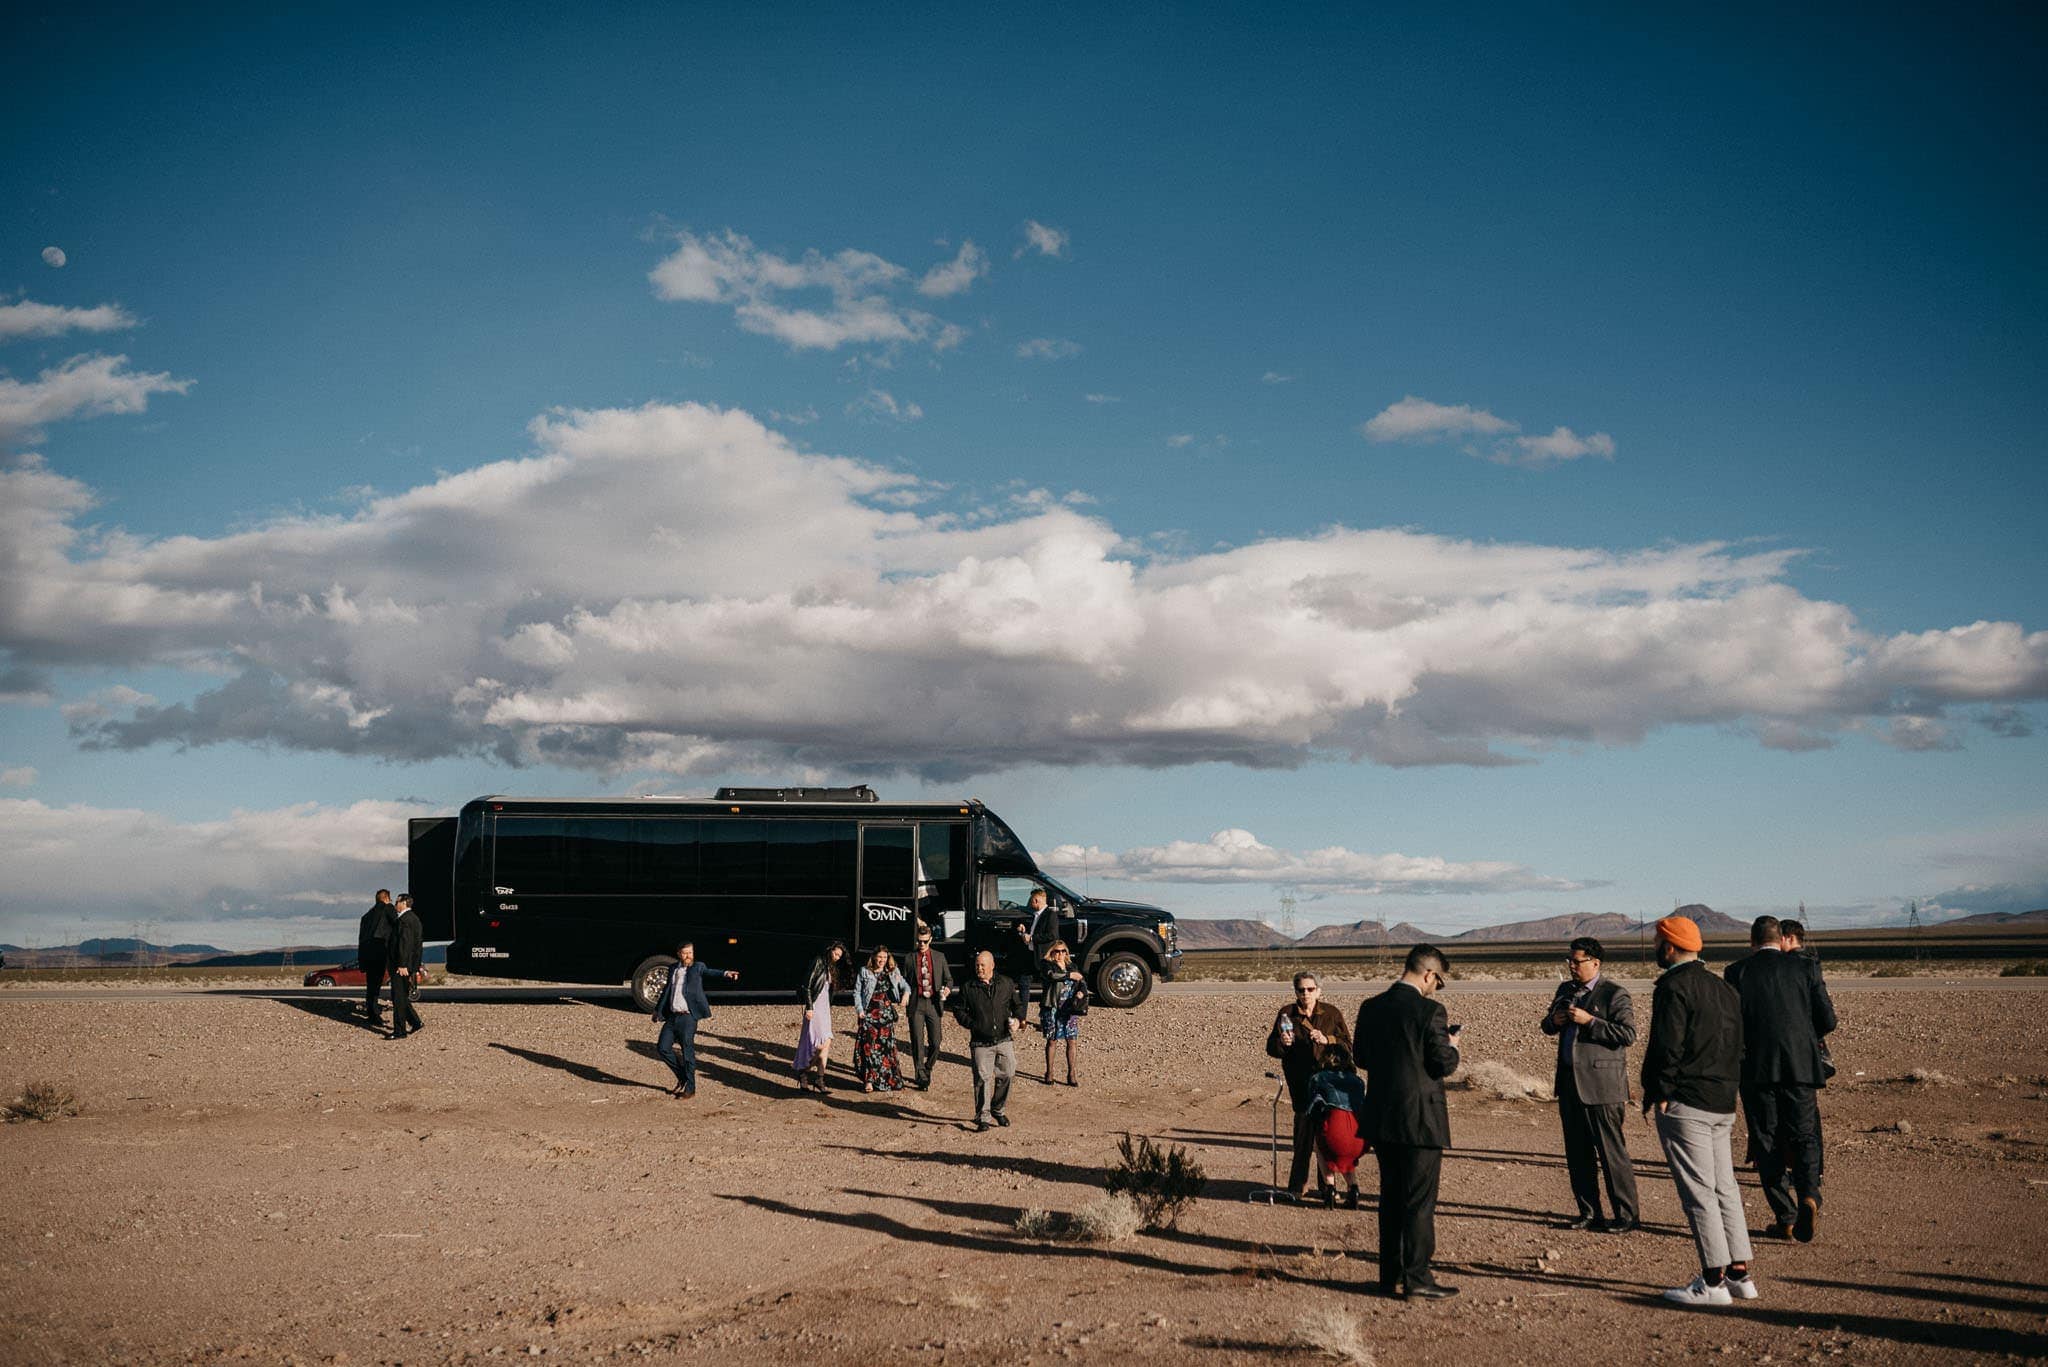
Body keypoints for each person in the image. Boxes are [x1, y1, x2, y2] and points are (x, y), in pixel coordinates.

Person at [1642, 913, 1757, 1307]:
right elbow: (1737, 1044)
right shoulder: (1723, 988)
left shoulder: (1674, 987)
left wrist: (1659, 1089)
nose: (1656, 949)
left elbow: (1667, 1045)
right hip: (1723, 1100)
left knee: (1699, 1193)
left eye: (1659, 943)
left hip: (1687, 1102)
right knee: (1724, 1187)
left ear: (1669, 946)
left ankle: (1712, 1281)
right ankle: (1740, 1273)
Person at [1354, 945, 1462, 1300]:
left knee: (1390, 1199)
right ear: (1429, 974)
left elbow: (1362, 1057)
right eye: (1438, 981)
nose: (1436, 988)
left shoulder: (1370, 1008)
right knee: (1418, 1202)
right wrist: (1453, 1046)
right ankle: (1417, 1278)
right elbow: (1442, 1064)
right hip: (1421, 1120)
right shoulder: (1431, 1011)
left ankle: (1390, 1277)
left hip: (1383, 1117)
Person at [1727, 915, 1836, 1243]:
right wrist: (1800, 1036)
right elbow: (1827, 1019)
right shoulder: (1805, 967)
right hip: (1800, 1066)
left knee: (1766, 1140)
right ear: (1781, 939)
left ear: (1752, 941)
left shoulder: (1736, 972)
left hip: (1756, 1070)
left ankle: (1785, 1216)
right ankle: (1809, 1196)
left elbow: (1732, 1024)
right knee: (1804, 1135)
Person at [1540, 936, 1641, 1233]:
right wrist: (1555, 1021)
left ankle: (1626, 1216)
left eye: (1577, 961)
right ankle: (1589, 1212)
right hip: (1570, 1084)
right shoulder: (1565, 990)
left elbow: (1627, 1034)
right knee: (1578, 1153)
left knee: (1611, 1154)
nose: (1571, 966)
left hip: (1603, 1087)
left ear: (1595, 963)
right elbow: (1546, 1026)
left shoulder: (1614, 994)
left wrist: (1589, 1021)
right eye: (1569, 961)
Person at [1265, 972, 1353, 1202]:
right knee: (1303, 1135)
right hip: (1300, 1082)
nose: (1306, 994)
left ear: (1319, 991)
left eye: (1310, 989)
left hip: (1329, 1082)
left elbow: (1348, 1046)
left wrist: (1327, 1040)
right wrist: (1282, 1044)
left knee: (1327, 1134)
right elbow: (1271, 1048)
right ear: (1295, 992)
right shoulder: (1287, 1013)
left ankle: (1328, 1188)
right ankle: (1297, 1186)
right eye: (1301, 990)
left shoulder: (1331, 1014)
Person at [651, 941, 738, 1099]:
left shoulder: (698, 967)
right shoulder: (673, 969)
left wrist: (725, 973)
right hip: (672, 1015)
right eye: (685, 953)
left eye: (690, 953)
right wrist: (658, 1010)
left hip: (688, 1017)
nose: (688, 956)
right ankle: (683, 1076)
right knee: (662, 1048)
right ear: (679, 954)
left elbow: (710, 972)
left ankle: (690, 1088)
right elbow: (666, 991)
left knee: (687, 1051)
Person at [952, 948, 1026, 1131]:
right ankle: (983, 1117)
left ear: (992, 965)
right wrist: (972, 1024)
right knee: (982, 1080)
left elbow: (1018, 1005)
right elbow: (958, 1009)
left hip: (1004, 1039)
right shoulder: (968, 987)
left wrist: (1018, 1021)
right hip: (980, 1042)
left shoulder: (1006, 984)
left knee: (1008, 1074)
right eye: (977, 965)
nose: (979, 969)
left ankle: (998, 1110)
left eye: (983, 965)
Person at [1304, 1042, 1369, 1209]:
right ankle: (1353, 1188)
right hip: (1358, 1134)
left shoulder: (1319, 1078)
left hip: (1335, 1128)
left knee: (1322, 1148)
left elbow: (1312, 1107)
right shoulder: (1358, 1082)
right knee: (1347, 1155)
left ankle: (1330, 1188)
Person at [904, 922, 954, 1090]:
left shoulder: (939, 957)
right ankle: (921, 1076)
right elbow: (904, 981)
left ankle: (927, 1068)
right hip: (916, 1003)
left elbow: (949, 979)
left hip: (933, 1003)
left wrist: (947, 990)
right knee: (917, 1041)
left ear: (931, 940)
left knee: (936, 1042)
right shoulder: (909, 957)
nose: (922, 945)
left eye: (925, 941)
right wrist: (904, 992)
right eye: (919, 941)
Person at [853, 945, 910, 1093]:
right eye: (879, 957)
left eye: (884, 957)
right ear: (874, 957)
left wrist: (905, 995)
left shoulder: (893, 971)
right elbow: (857, 993)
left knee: (886, 1050)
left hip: (885, 1016)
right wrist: (859, 1010)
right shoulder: (864, 972)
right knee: (869, 1049)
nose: (882, 960)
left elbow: (906, 986)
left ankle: (887, 1080)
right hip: (869, 1015)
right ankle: (869, 1081)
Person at [793, 941, 847, 1094]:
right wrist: (809, 1007)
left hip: (824, 1008)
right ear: (830, 950)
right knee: (819, 1042)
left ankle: (819, 1078)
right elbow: (807, 985)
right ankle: (803, 1071)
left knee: (827, 1042)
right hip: (815, 1006)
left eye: (839, 956)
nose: (837, 957)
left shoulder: (830, 967)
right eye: (835, 954)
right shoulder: (818, 962)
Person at [1037, 940, 1087, 1086]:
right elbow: (1052, 976)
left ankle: (1071, 1073)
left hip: (1070, 1008)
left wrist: (1081, 993)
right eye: (1056, 951)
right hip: (1052, 1007)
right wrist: (1069, 975)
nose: (1060, 954)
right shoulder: (1047, 965)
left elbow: (1083, 983)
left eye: (1063, 951)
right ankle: (1049, 1072)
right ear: (1051, 952)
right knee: (1052, 1040)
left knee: (1072, 1040)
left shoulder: (1072, 966)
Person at [387, 893, 424, 1041]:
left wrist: (403, 964)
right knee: (400, 996)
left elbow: (405, 944)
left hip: (401, 966)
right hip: (407, 965)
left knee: (398, 997)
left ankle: (399, 1031)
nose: (395, 905)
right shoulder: (412, 918)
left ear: (403, 903)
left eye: (396, 902)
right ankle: (415, 1022)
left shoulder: (405, 920)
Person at [357, 889, 396, 1029]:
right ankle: (376, 1015)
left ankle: (372, 1013)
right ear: (386, 898)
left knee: (371, 986)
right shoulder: (388, 908)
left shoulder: (366, 916)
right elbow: (397, 926)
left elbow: (361, 939)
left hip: (368, 955)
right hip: (381, 952)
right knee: (378, 984)